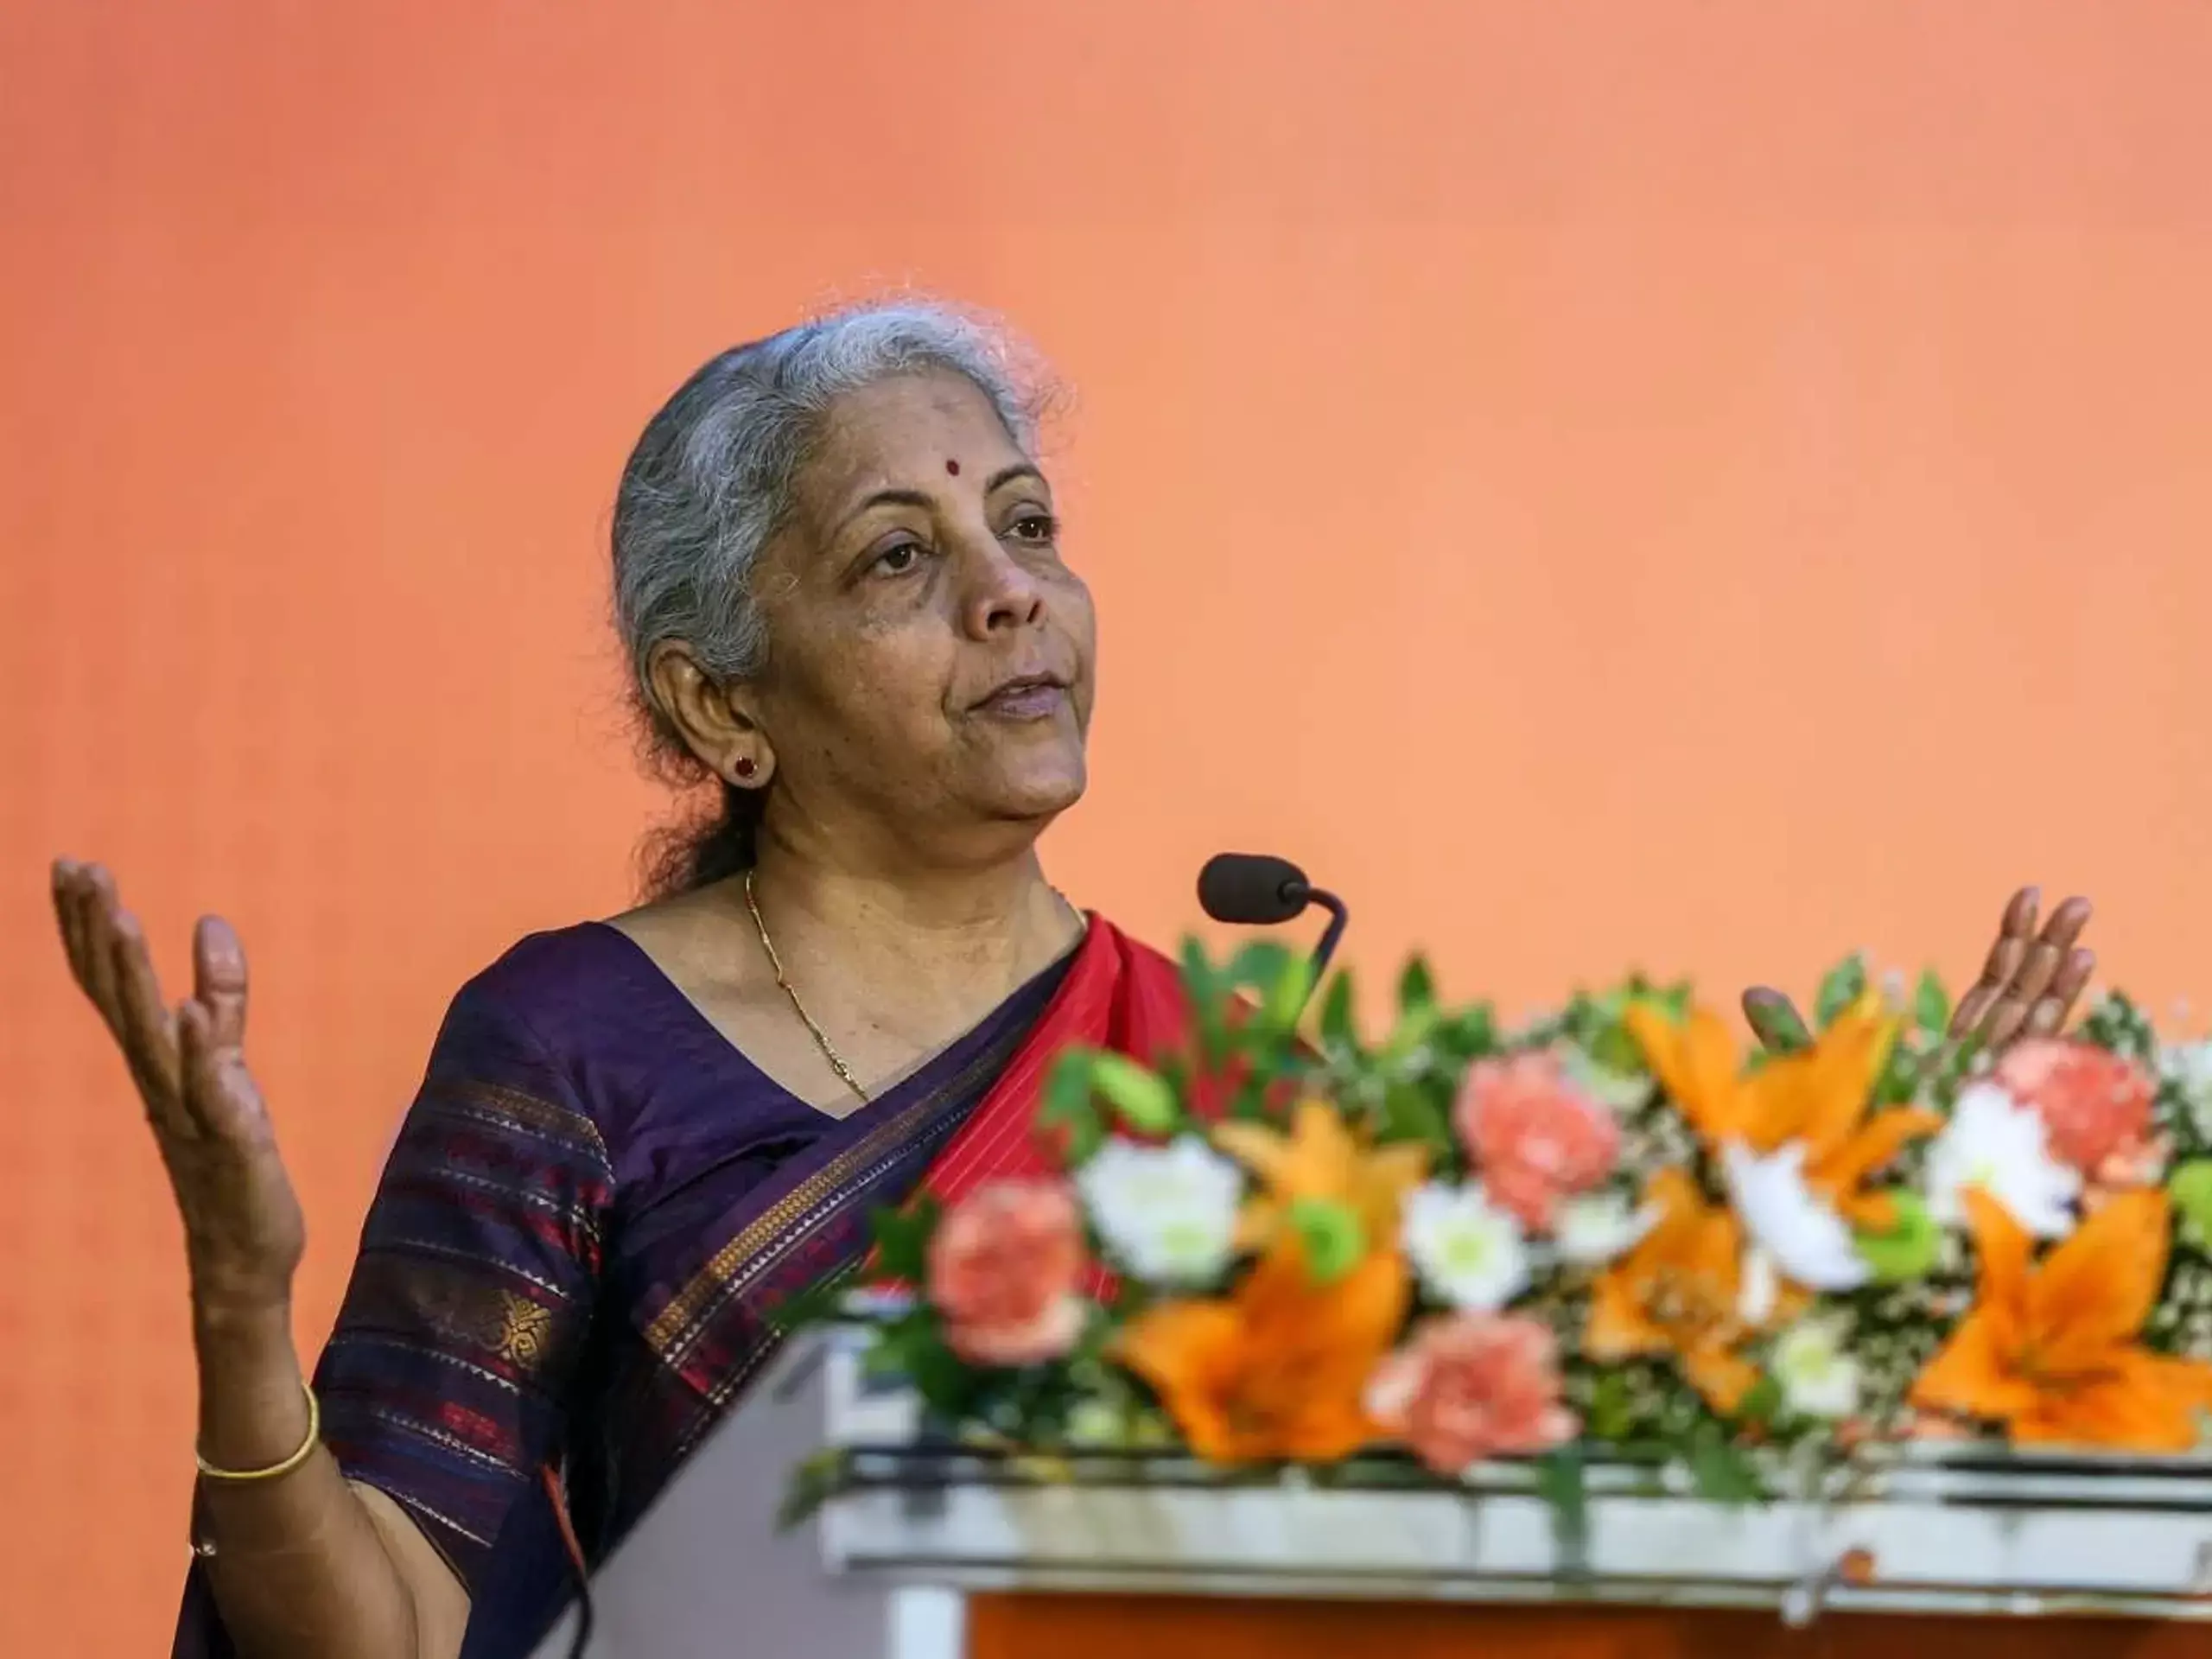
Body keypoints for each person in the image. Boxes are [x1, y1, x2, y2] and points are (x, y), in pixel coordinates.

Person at [48, 302, 2097, 1659]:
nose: (1008, 588)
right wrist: (237, 1306)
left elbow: (1527, 1500)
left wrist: (1859, 1210)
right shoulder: (571, 1047)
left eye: (1023, 524)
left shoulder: (1235, 1082)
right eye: (899, 557)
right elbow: (387, 1634)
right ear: (722, 705)